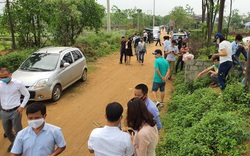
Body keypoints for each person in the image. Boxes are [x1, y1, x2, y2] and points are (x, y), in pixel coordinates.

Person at [0, 68, 30, 152]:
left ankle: (21, 146)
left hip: (15, 111)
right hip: (4, 112)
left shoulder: (18, 84)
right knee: (7, 131)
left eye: (5, 76)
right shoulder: (0, 84)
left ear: (10, 74)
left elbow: (27, 95)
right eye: (1, 77)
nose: (3, 79)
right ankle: (14, 142)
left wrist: (21, 106)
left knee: (18, 130)